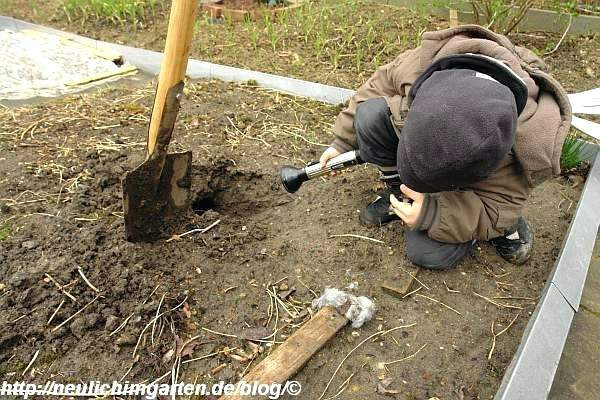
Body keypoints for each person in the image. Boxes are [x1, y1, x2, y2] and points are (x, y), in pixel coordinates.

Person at [319, 25, 571, 270]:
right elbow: (378, 85)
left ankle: (506, 227)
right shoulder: (422, 66)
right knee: (371, 115)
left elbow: (498, 208)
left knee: (427, 252)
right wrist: (342, 142)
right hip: (442, 127)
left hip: (487, 186)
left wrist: (430, 215)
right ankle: (401, 193)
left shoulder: (527, 150)